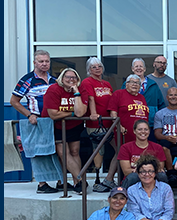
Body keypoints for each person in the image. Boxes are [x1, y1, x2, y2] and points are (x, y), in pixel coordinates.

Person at [13, 51, 62, 193]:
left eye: (47, 61)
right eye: (41, 61)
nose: (44, 64)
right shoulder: (27, 80)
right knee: (38, 153)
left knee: (56, 152)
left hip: (53, 121)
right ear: (35, 63)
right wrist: (29, 115)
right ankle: (42, 184)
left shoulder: (54, 81)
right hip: (38, 122)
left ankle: (60, 182)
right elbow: (14, 101)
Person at [44, 68, 91, 194]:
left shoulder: (81, 90)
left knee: (75, 152)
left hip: (74, 126)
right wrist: (71, 113)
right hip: (56, 126)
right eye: (68, 77)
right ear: (62, 79)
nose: (71, 80)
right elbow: (53, 114)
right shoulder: (54, 89)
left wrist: (76, 92)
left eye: (74, 77)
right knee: (63, 153)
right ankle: (81, 180)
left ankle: (77, 183)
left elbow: (80, 112)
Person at [104, 75, 152, 190]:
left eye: (137, 83)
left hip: (140, 135)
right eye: (132, 82)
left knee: (136, 155)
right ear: (126, 84)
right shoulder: (119, 94)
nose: (135, 85)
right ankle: (110, 179)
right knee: (121, 153)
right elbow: (113, 112)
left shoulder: (141, 97)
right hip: (124, 133)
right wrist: (118, 125)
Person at [81, 58, 119, 193]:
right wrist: (93, 113)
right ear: (89, 70)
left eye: (99, 66)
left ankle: (109, 179)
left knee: (120, 149)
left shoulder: (107, 84)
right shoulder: (87, 82)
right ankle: (97, 180)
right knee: (98, 151)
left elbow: (113, 100)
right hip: (96, 123)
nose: (97, 69)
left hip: (110, 122)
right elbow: (90, 98)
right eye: (93, 67)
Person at [116, 120, 172, 188]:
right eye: (140, 129)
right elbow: (126, 171)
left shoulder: (157, 147)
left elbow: (160, 168)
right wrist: (144, 172)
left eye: (146, 129)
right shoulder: (125, 147)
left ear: (149, 131)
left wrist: (145, 172)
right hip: (134, 179)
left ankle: (162, 197)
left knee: (161, 175)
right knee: (133, 176)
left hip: (151, 177)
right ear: (134, 131)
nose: (143, 132)